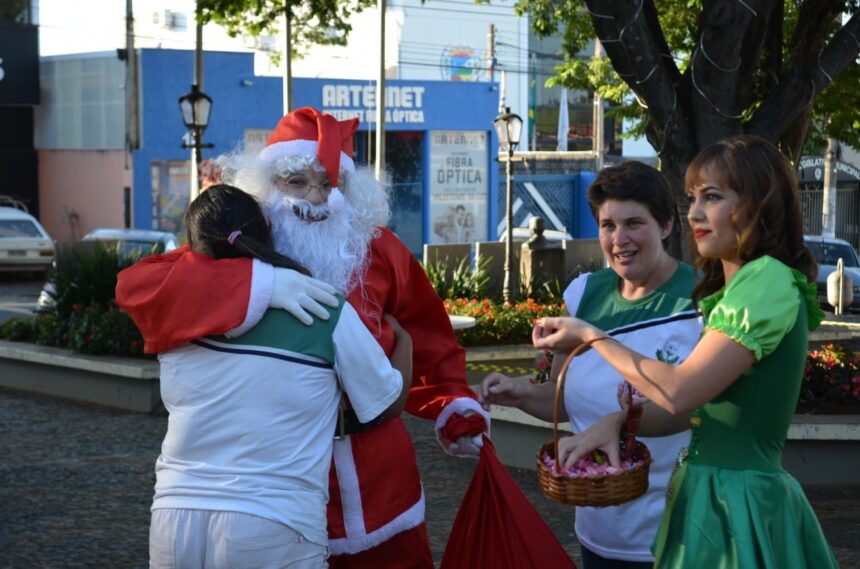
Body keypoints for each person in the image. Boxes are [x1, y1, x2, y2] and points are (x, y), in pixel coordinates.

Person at [116, 106, 490, 568]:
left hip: (381, 479)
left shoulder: (380, 248)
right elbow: (148, 287)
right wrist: (262, 286)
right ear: (265, 185)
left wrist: (453, 405)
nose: (316, 198)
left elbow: (426, 330)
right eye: (297, 181)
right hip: (282, 489)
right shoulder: (233, 250)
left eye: (329, 184)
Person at [531, 135, 838, 568]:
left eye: (711, 197)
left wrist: (591, 337)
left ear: (757, 204)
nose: (695, 213)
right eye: (693, 198)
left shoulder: (765, 279)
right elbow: (703, 412)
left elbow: (679, 391)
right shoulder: (737, 288)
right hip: (713, 497)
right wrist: (622, 421)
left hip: (738, 504)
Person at [146, 183, 410, 568]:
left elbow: (146, 276)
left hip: (174, 514)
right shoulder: (323, 310)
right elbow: (386, 402)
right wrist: (404, 340)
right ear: (268, 231)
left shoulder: (172, 309)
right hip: (275, 521)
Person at [479, 161, 701, 568]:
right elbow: (561, 400)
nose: (619, 239)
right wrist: (519, 393)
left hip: (682, 534)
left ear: (666, 225)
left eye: (634, 223)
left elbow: (698, 407)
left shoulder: (701, 301)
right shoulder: (584, 295)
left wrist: (621, 419)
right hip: (599, 533)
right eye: (607, 225)